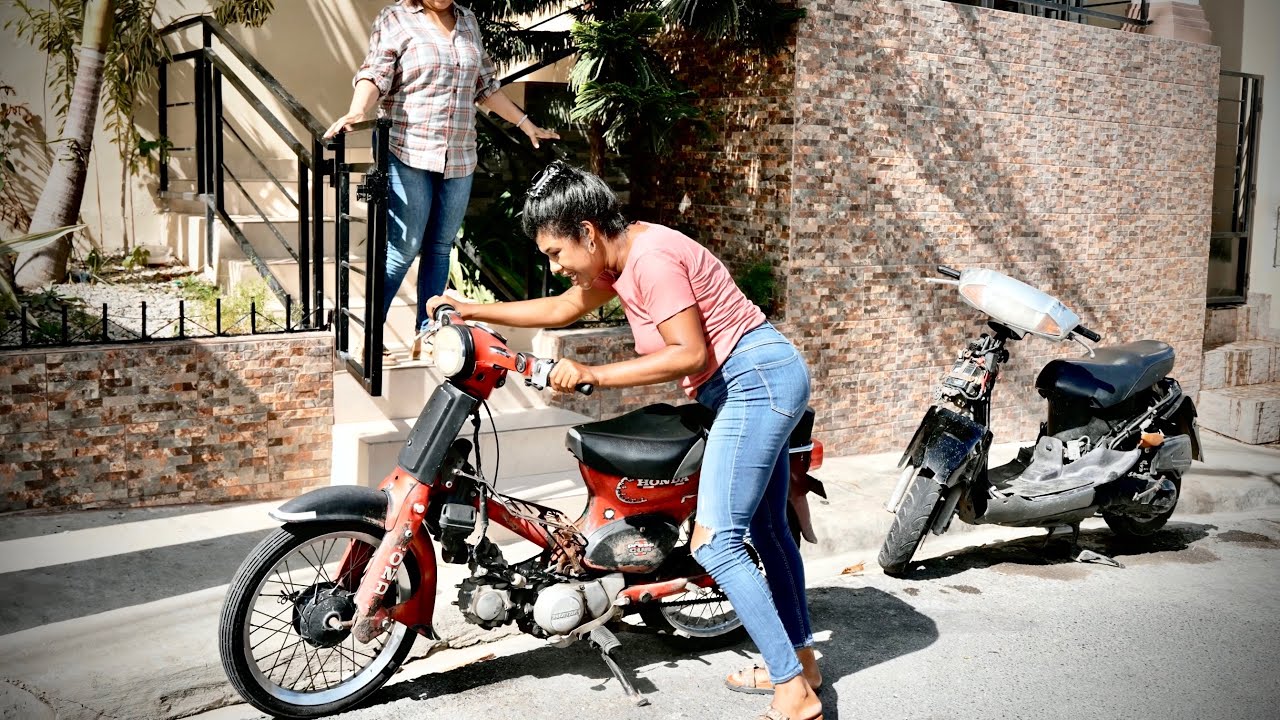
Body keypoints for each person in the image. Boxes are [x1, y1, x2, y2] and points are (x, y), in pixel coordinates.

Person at [425, 161, 824, 720]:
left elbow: (688, 354)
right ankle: (802, 664)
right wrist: (472, 309)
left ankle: (793, 691)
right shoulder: (620, 257)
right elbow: (564, 308)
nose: (556, 265)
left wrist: (592, 373)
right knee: (769, 531)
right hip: (756, 379)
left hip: (753, 383)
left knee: (717, 542)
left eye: (558, 254)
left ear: (588, 232)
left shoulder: (652, 260)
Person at [324, 0, 559, 359]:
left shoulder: (468, 20)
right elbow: (375, 72)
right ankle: (369, 335)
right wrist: (358, 109)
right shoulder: (396, 17)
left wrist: (526, 124)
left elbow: (485, 86)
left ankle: (428, 331)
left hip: (459, 153)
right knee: (403, 248)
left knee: (439, 248)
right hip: (408, 148)